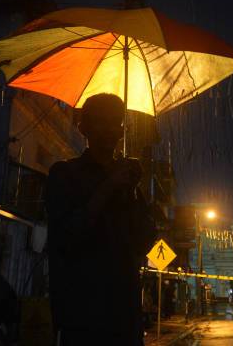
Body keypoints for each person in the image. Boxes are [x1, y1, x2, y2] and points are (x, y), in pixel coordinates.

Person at [46, 93, 156, 345]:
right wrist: (109, 186)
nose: (109, 129)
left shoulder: (129, 183)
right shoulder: (65, 174)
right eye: (100, 121)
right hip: (83, 316)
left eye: (115, 122)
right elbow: (67, 235)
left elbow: (144, 241)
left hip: (126, 318)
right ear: (83, 128)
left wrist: (131, 191)